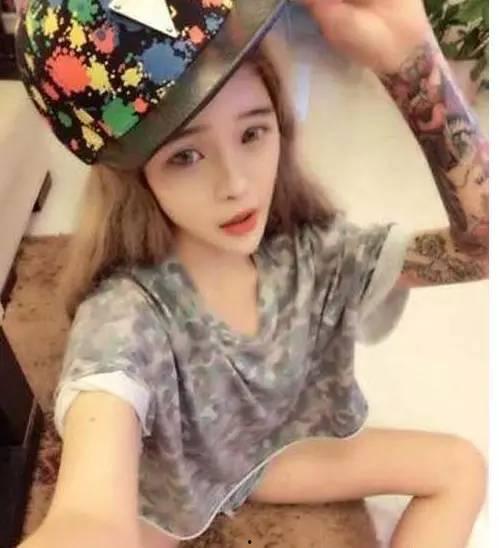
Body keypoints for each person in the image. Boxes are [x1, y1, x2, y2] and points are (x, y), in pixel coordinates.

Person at [15, 0, 488, 547]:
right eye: (185, 157)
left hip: (268, 456)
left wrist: (412, 61)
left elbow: (480, 250)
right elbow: (89, 515)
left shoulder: (313, 257)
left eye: (252, 133)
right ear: (137, 181)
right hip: (171, 493)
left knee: (461, 466)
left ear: (281, 127)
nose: (236, 184)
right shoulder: (124, 317)